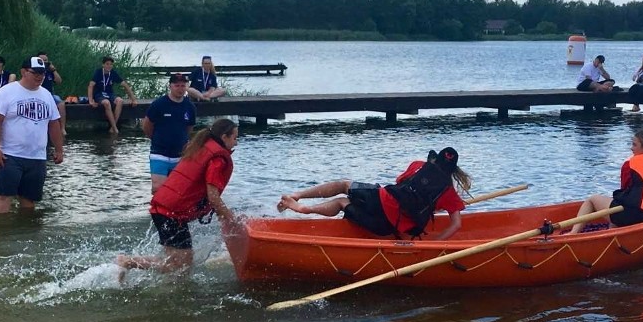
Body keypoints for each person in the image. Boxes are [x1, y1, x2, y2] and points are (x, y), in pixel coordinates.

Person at [116, 118, 240, 275]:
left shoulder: (202, 147)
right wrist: (232, 219)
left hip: (164, 209)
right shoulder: (217, 159)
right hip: (170, 213)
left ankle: (154, 282)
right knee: (180, 266)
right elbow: (213, 197)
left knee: (178, 264)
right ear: (224, 137)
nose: (236, 143)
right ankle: (127, 262)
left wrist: (224, 216)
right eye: (235, 138)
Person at [278, 147, 472, 240]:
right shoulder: (449, 192)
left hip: (380, 201)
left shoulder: (418, 166)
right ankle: (304, 209)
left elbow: (399, 184)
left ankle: (299, 198)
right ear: (453, 170)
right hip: (387, 227)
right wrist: (432, 246)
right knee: (342, 203)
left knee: (344, 185)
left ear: (434, 160)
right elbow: (456, 224)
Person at [0, 57, 64, 214]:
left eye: (42, 73)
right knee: (4, 195)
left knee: (29, 198)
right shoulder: (7, 91)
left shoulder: (46, 95)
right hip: (10, 155)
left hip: (37, 157)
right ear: (23, 72)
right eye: (35, 72)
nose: (39, 76)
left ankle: (26, 231)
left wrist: (59, 150)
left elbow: (53, 124)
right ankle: (1, 232)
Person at [142, 73, 197, 193]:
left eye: (183, 86)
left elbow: (189, 127)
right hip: (159, 152)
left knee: (177, 188)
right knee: (158, 187)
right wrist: (156, 138)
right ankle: (156, 210)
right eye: (177, 85)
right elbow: (146, 125)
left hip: (180, 154)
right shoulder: (159, 104)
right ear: (170, 86)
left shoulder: (190, 107)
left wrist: (183, 140)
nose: (180, 89)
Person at [87, 56, 138, 134]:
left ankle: (112, 127)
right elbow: (91, 86)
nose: (109, 66)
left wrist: (133, 99)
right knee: (106, 103)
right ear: (103, 65)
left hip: (109, 94)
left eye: (111, 64)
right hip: (99, 94)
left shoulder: (113, 73)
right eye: (107, 64)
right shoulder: (98, 72)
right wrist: (91, 100)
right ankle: (115, 128)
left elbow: (125, 85)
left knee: (120, 101)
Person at [36, 51, 68, 136]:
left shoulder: (50, 71)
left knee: (61, 103)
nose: (44, 62)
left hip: (50, 94)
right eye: (42, 60)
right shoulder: (35, 71)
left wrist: (53, 70)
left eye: (46, 60)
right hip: (37, 93)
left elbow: (59, 81)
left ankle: (62, 128)